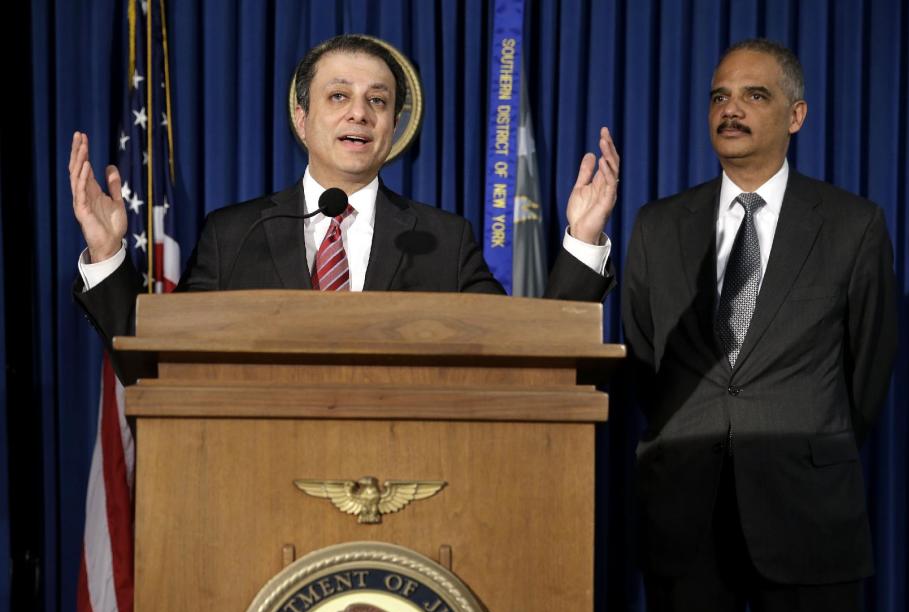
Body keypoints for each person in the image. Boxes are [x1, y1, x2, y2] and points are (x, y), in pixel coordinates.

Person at [622, 38, 897, 612]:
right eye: (719, 96)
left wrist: (800, 449)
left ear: (796, 114)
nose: (731, 109)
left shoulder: (852, 225)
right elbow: (645, 365)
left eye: (754, 96)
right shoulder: (658, 225)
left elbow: (866, 373)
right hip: (685, 516)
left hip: (809, 516)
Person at [69, 34, 619, 381]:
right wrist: (106, 250)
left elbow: (528, 355)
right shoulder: (232, 234)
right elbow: (154, 366)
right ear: (302, 119)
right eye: (339, 96)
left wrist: (582, 241)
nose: (359, 113)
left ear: (393, 127)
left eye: (377, 101)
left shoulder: (443, 239)